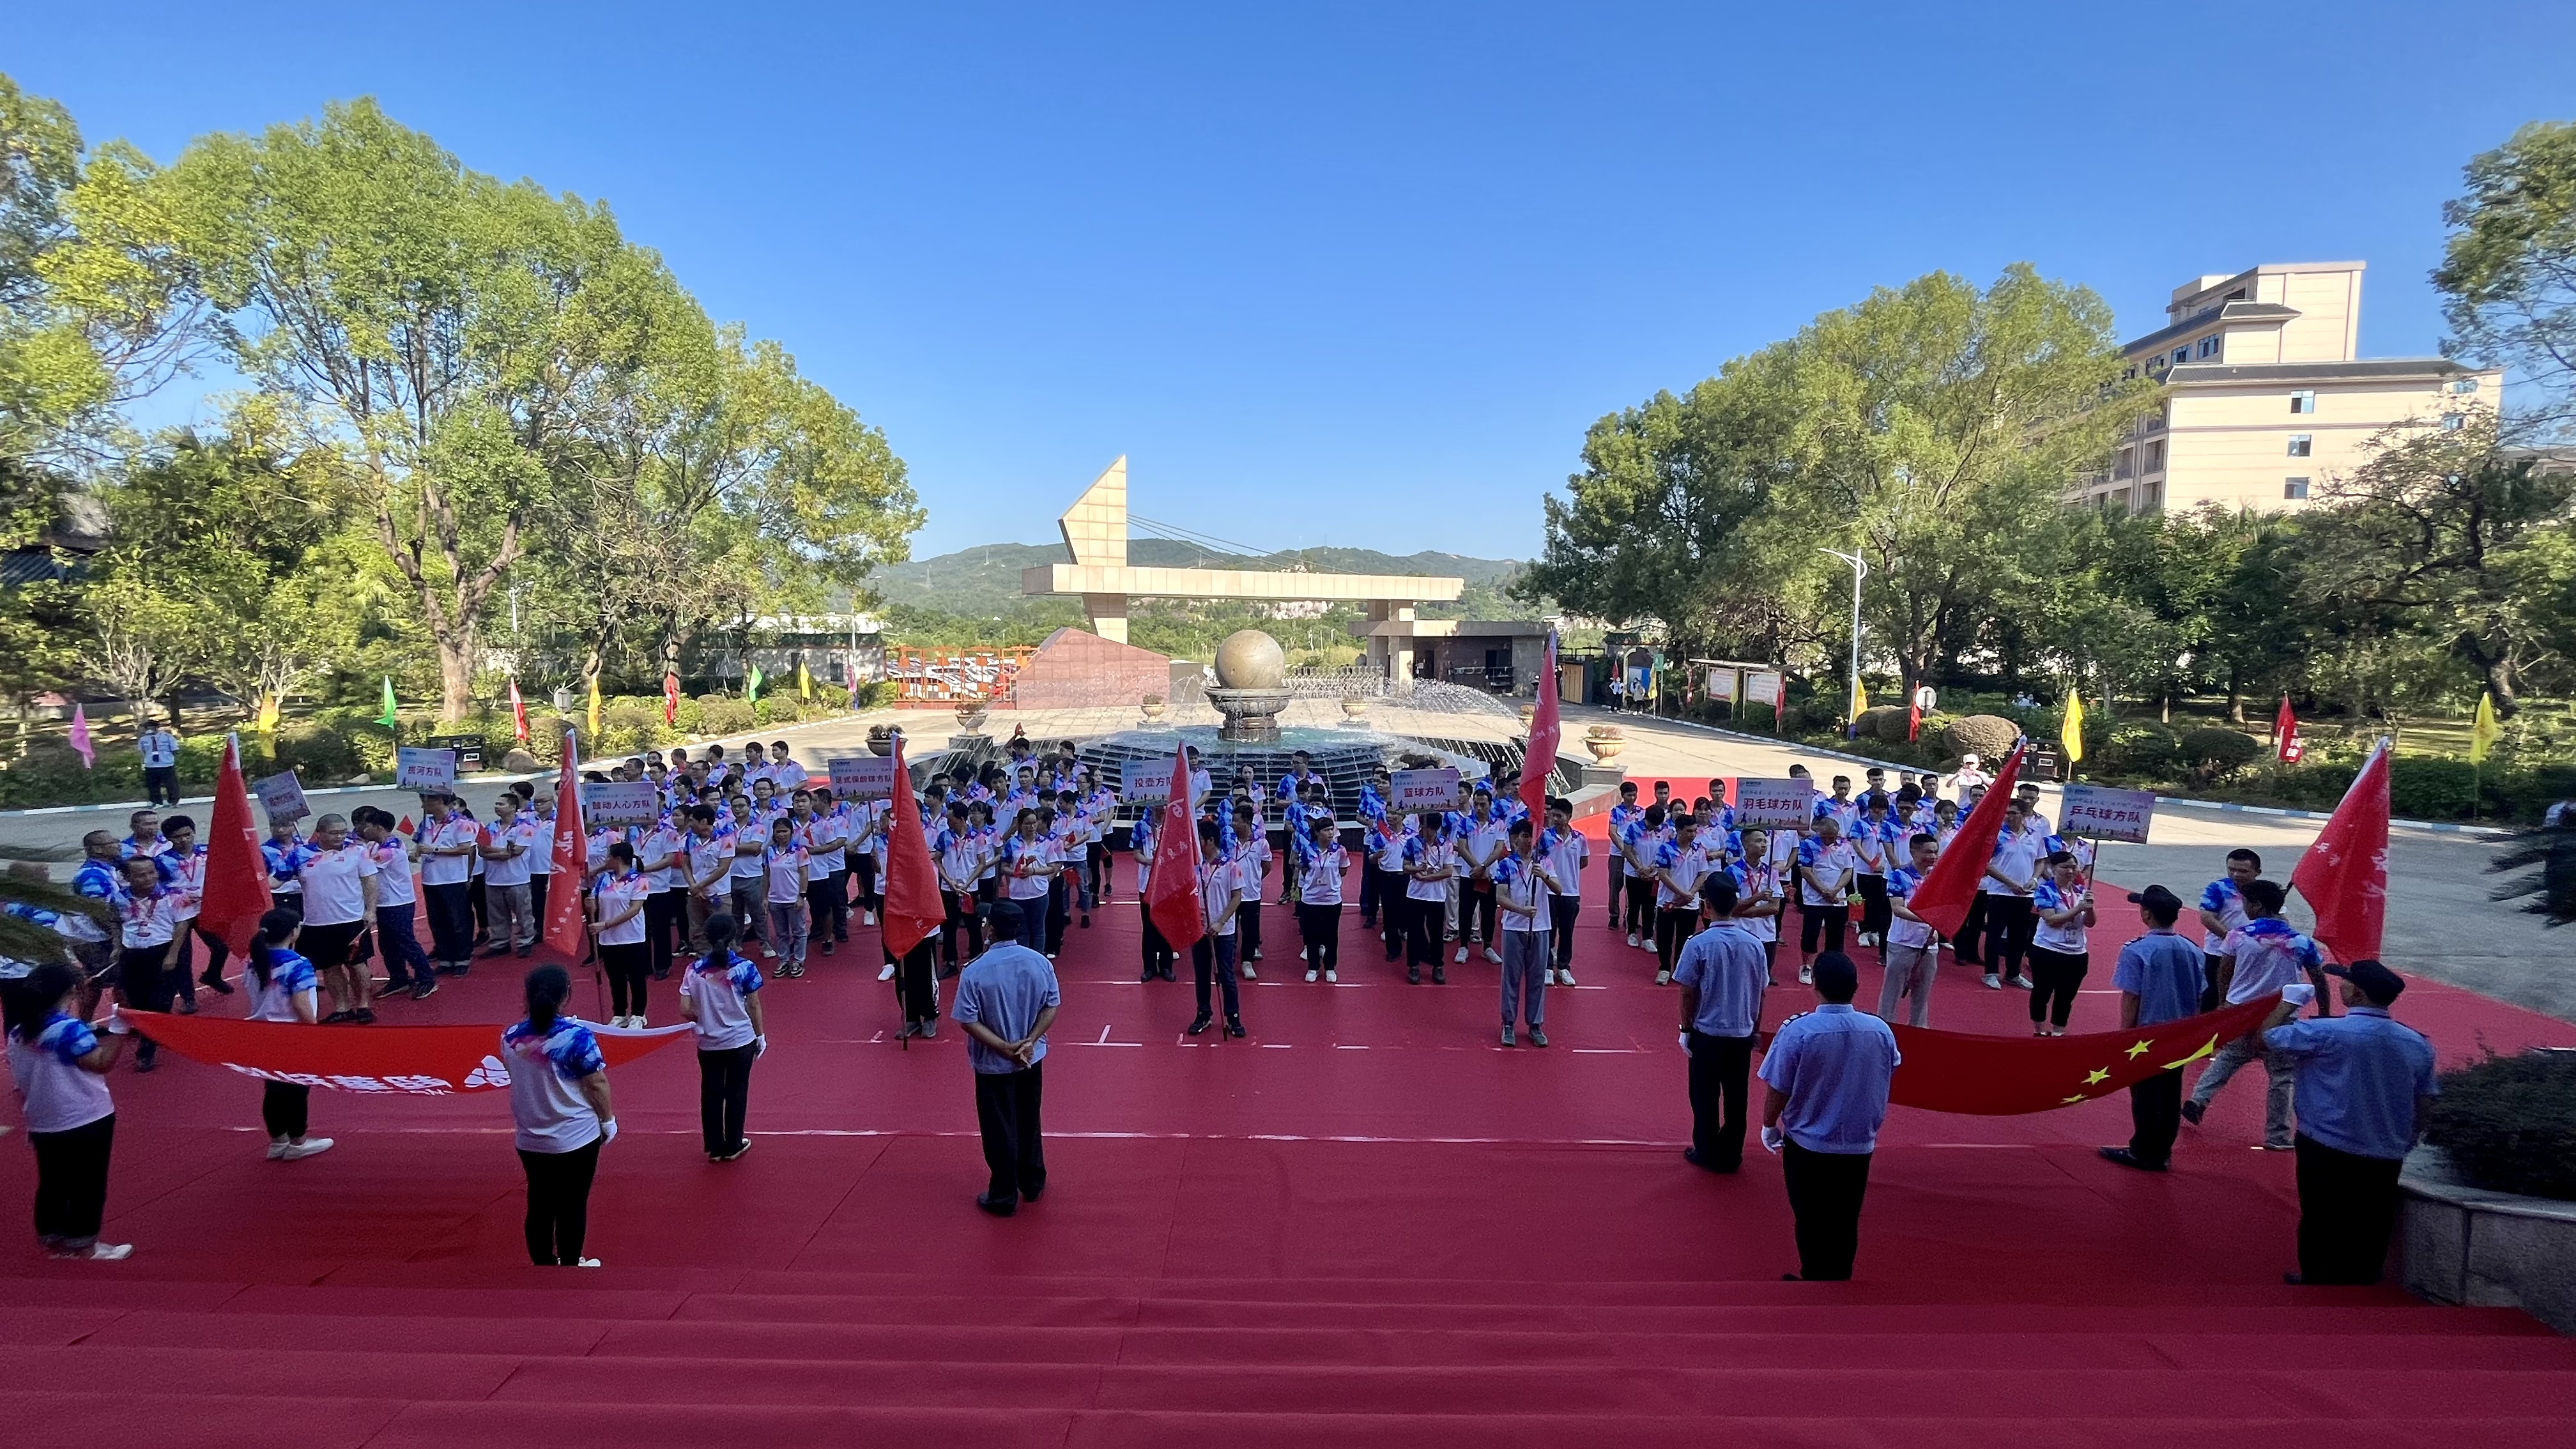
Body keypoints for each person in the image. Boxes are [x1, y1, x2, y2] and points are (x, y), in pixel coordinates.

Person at [2263, 960, 2439, 1285]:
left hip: (2325, 1140)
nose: (2340, 985)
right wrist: (2411, 1136)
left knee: (2321, 1212)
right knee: (2374, 1215)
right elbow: (2425, 1098)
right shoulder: (2417, 1043)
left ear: (2358, 993)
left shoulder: (2325, 1032)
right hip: (2386, 1145)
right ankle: (2366, 1275)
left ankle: (2318, 1274)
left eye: (2345, 982)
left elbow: (2269, 1037)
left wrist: (2287, 1003)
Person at [1759, 952, 1900, 1282]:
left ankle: (1815, 1277)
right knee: (1846, 1216)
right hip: (1858, 1142)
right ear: (1856, 987)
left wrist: (1768, 1124)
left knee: (1810, 1215)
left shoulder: (1799, 1031)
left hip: (1809, 1142)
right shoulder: (1879, 1029)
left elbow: (1779, 1086)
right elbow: (1890, 1067)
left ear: (1816, 985)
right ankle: (1839, 1275)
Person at [2185, 878, 2329, 1149]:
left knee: (2228, 1058)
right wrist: (2324, 1011)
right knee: (2281, 1075)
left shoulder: (2237, 936)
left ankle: (2198, 1099)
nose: (2245, 908)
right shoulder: (2300, 941)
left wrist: (2224, 1001)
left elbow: (2224, 970)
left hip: (2242, 1011)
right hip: (2281, 1016)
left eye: (2247, 903)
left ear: (2258, 905)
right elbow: (2319, 979)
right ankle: (2277, 1135)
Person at [7, 961, 130, 1259]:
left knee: (53, 1181)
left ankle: (52, 1236)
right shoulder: (67, 1030)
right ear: (70, 991)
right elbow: (100, 1063)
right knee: (88, 1182)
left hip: (43, 1118)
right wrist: (120, 1030)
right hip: (84, 1115)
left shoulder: (19, 1031)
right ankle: (84, 1244)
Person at [503, 965, 615, 1268]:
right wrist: (608, 1120)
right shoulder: (577, 1037)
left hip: (530, 1136)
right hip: (575, 1135)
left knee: (539, 1199)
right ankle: (570, 1261)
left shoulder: (511, 1037)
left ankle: (542, 1261)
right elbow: (596, 1083)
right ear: (566, 995)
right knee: (573, 1201)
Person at [953, 900, 1059, 1217]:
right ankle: (1033, 1181)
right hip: (1030, 1059)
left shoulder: (975, 971)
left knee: (999, 1127)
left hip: (993, 1064)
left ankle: (1003, 1194)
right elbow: (1051, 1006)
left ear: (990, 929)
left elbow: (967, 1019)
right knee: (1029, 1118)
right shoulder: (1039, 963)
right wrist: (1030, 1041)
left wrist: (1003, 1047)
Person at [2097, 885, 2209, 1172]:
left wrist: (2125, 1034)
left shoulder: (2137, 950)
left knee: (2145, 1092)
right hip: (2180, 1031)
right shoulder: (2192, 949)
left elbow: (2132, 997)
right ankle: (2162, 1149)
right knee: (2171, 1091)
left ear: (2147, 914)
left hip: (2147, 1034)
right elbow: (2199, 994)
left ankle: (2143, 1150)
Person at [1675, 875, 1770, 1172]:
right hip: (1741, 1031)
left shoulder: (1698, 944)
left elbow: (1687, 991)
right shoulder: (1755, 945)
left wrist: (1685, 1028)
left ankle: (1706, 1150)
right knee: (1737, 1095)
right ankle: (1731, 1152)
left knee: (1704, 1094)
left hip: (1707, 1032)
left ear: (1707, 905)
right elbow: (1761, 992)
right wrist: (1756, 1028)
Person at [242, 908, 335, 1162]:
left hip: (262, 1033)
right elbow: (300, 1002)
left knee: (273, 1088)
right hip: (291, 1034)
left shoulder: (252, 962)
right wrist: (314, 1029)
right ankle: (298, 1142)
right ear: (294, 932)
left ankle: (278, 1140)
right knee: (296, 1090)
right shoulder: (297, 964)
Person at [678, 912, 767, 1162]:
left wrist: (705, 1018)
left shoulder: (694, 970)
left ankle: (715, 1146)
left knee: (711, 1092)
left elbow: (685, 1009)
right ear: (733, 936)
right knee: (737, 1090)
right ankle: (734, 1143)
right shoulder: (744, 968)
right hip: (740, 1039)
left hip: (708, 1042)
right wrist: (760, 1035)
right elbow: (754, 1005)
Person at [296, 815, 380, 1024]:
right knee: (330, 967)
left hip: (351, 919)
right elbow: (276, 880)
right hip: (317, 922)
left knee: (357, 965)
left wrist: (371, 911)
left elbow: (370, 882)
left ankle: (364, 1005)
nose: (340, 836)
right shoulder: (301, 854)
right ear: (319, 833)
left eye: (343, 832)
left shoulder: (358, 852)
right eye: (334, 833)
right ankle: (342, 1007)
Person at [110, 856, 183, 1071]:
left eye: (152, 872)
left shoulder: (172, 895)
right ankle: (156, 1032)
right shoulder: (118, 898)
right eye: (141, 875)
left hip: (161, 951)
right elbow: (116, 922)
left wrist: (173, 955)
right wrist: (117, 946)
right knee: (138, 1001)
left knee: (159, 1002)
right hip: (132, 953)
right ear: (127, 877)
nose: (149, 878)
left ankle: (146, 1049)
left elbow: (182, 924)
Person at [1493, 817, 1558, 1046]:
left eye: (1532, 836)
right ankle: (1508, 1024)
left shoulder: (1544, 863)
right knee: (1511, 978)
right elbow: (1500, 897)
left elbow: (1559, 890)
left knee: (1537, 978)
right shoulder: (1506, 865)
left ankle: (1535, 1025)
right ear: (1515, 839)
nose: (1529, 840)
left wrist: (1545, 877)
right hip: (1514, 927)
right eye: (1524, 836)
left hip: (1540, 928)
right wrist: (1521, 911)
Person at [1874, 833, 1942, 1027]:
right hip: (1902, 943)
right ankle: (1886, 1029)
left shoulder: (1937, 878)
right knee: (1892, 993)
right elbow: (1898, 909)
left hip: (1928, 944)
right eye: (1928, 852)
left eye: (1935, 852)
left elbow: (1940, 909)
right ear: (1913, 852)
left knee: (1922, 995)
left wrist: (1936, 931)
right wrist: (1927, 919)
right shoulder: (1899, 876)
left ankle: (1919, 1031)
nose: (1933, 856)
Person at [1978, 801, 2048, 991]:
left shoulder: (2035, 836)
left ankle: (2013, 973)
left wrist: (2034, 878)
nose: (2008, 816)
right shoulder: (1997, 836)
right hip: (2000, 893)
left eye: (2013, 813)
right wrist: (2010, 883)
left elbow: (2040, 860)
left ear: (2023, 815)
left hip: (2025, 895)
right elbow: (1986, 865)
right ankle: (1991, 973)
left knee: (2020, 936)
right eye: (2006, 813)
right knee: (1994, 934)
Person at [2025, 852, 2096, 1037]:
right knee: (2042, 992)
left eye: (2073, 867)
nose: (2070, 871)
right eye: (2065, 867)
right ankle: (2039, 1029)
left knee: (2066, 996)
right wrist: (2078, 909)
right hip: (2048, 950)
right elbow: (2051, 920)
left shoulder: (2081, 891)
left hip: (2076, 953)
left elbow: (2090, 923)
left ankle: (2058, 1030)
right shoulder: (2045, 890)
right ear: (2053, 868)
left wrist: (2090, 909)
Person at [1192, 818, 1246, 1036]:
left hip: (1223, 930)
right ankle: (1204, 1013)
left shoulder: (1230, 866)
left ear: (1211, 841)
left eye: (1200, 839)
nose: (1197, 843)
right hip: (1200, 930)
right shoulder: (1196, 867)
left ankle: (1233, 1016)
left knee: (1226, 975)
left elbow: (1237, 897)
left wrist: (1220, 922)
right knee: (1202, 975)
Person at [588, 842, 652, 1027]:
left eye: (608, 856)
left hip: (632, 937)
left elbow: (634, 909)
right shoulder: (604, 879)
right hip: (609, 939)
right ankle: (619, 1013)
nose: (606, 860)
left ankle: (638, 1014)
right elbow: (595, 902)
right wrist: (591, 905)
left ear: (617, 859)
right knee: (616, 979)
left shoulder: (639, 880)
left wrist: (606, 924)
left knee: (636, 978)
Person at [417, 793, 480, 977]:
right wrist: (416, 853)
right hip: (430, 879)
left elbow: (465, 849)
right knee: (437, 921)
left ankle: (462, 958)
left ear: (439, 801)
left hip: (453, 879)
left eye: (426, 801)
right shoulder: (425, 823)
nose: (423, 806)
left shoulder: (462, 823)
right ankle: (445, 958)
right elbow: (419, 846)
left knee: (458, 921)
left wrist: (435, 850)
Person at [2196, 849, 2260, 1014]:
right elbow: (2207, 918)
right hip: (2219, 953)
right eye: (2231, 869)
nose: (2236, 875)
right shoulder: (2218, 888)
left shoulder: (2264, 892)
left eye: (2243, 871)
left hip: (2252, 953)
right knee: (2214, 995)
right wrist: (2234, 940)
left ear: (2257, 872)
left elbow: (2279, 919)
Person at [1794, 815, 1856, 984]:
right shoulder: (1809, 844)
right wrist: (1823, 891)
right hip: (1814, 899)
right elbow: (1806, 871)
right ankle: (1807, 966)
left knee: (1836, 936)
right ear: (1819, 832)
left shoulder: (1845, 845)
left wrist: (1835, 890)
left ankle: (1831, 967)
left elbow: (1848, 870)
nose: (1828, 840)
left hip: (1838, 899)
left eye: (1832, 837)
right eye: (1825, 836)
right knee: (1811, 934)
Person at [1401, 811, 1454, 985]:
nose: (1421, 830)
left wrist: (1427, 877)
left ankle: (1438, 965)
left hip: (1436, 896)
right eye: (1420, 826)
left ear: (1433, 829)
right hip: (1415, 894)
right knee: (1414, 931)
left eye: (1424, 827)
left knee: (1436, 932)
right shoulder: (1413, 842)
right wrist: (1418, 870)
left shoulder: (1446, 845)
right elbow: (1406, 867)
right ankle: (1413, 965)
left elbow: (1448, 871)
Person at [1295, 809, 1348, 985]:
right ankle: (1313, 967)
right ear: (1317, 833)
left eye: (1332, 829)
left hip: (1332, 899)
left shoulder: (1340, 851)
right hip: (1311, 899)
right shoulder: (1308, 850)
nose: (1330, 833)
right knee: (1311, 935)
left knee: (1331, 935)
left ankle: (1330, 967)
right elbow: (1304, 869)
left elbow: (1343, 870)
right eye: (1326, 830)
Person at [760, 815, 811, 980]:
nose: (781, 835)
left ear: (791, 832)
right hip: (775, 899)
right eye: (778, 832)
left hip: (793, 899)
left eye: (785, 831)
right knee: (781, 934)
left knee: (799, 932)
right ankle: (783, 960)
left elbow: (804, 874)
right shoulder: (770, 851)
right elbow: (767, 875)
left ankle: (798, 960)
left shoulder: (800, 851)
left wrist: (801, 896)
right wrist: (765, 897)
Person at [137, 717, 181, 807]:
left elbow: (174, 749)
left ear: (156, 727)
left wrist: (168, 758)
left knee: (171, 784)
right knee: (153, 785)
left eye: (151, 727)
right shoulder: (143, 739)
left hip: (166, 764)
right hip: (151, 765)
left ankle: (173, 801)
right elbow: (143, 751)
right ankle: (157, 802)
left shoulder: (167, 737)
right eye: (147, 727)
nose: (149, 729)